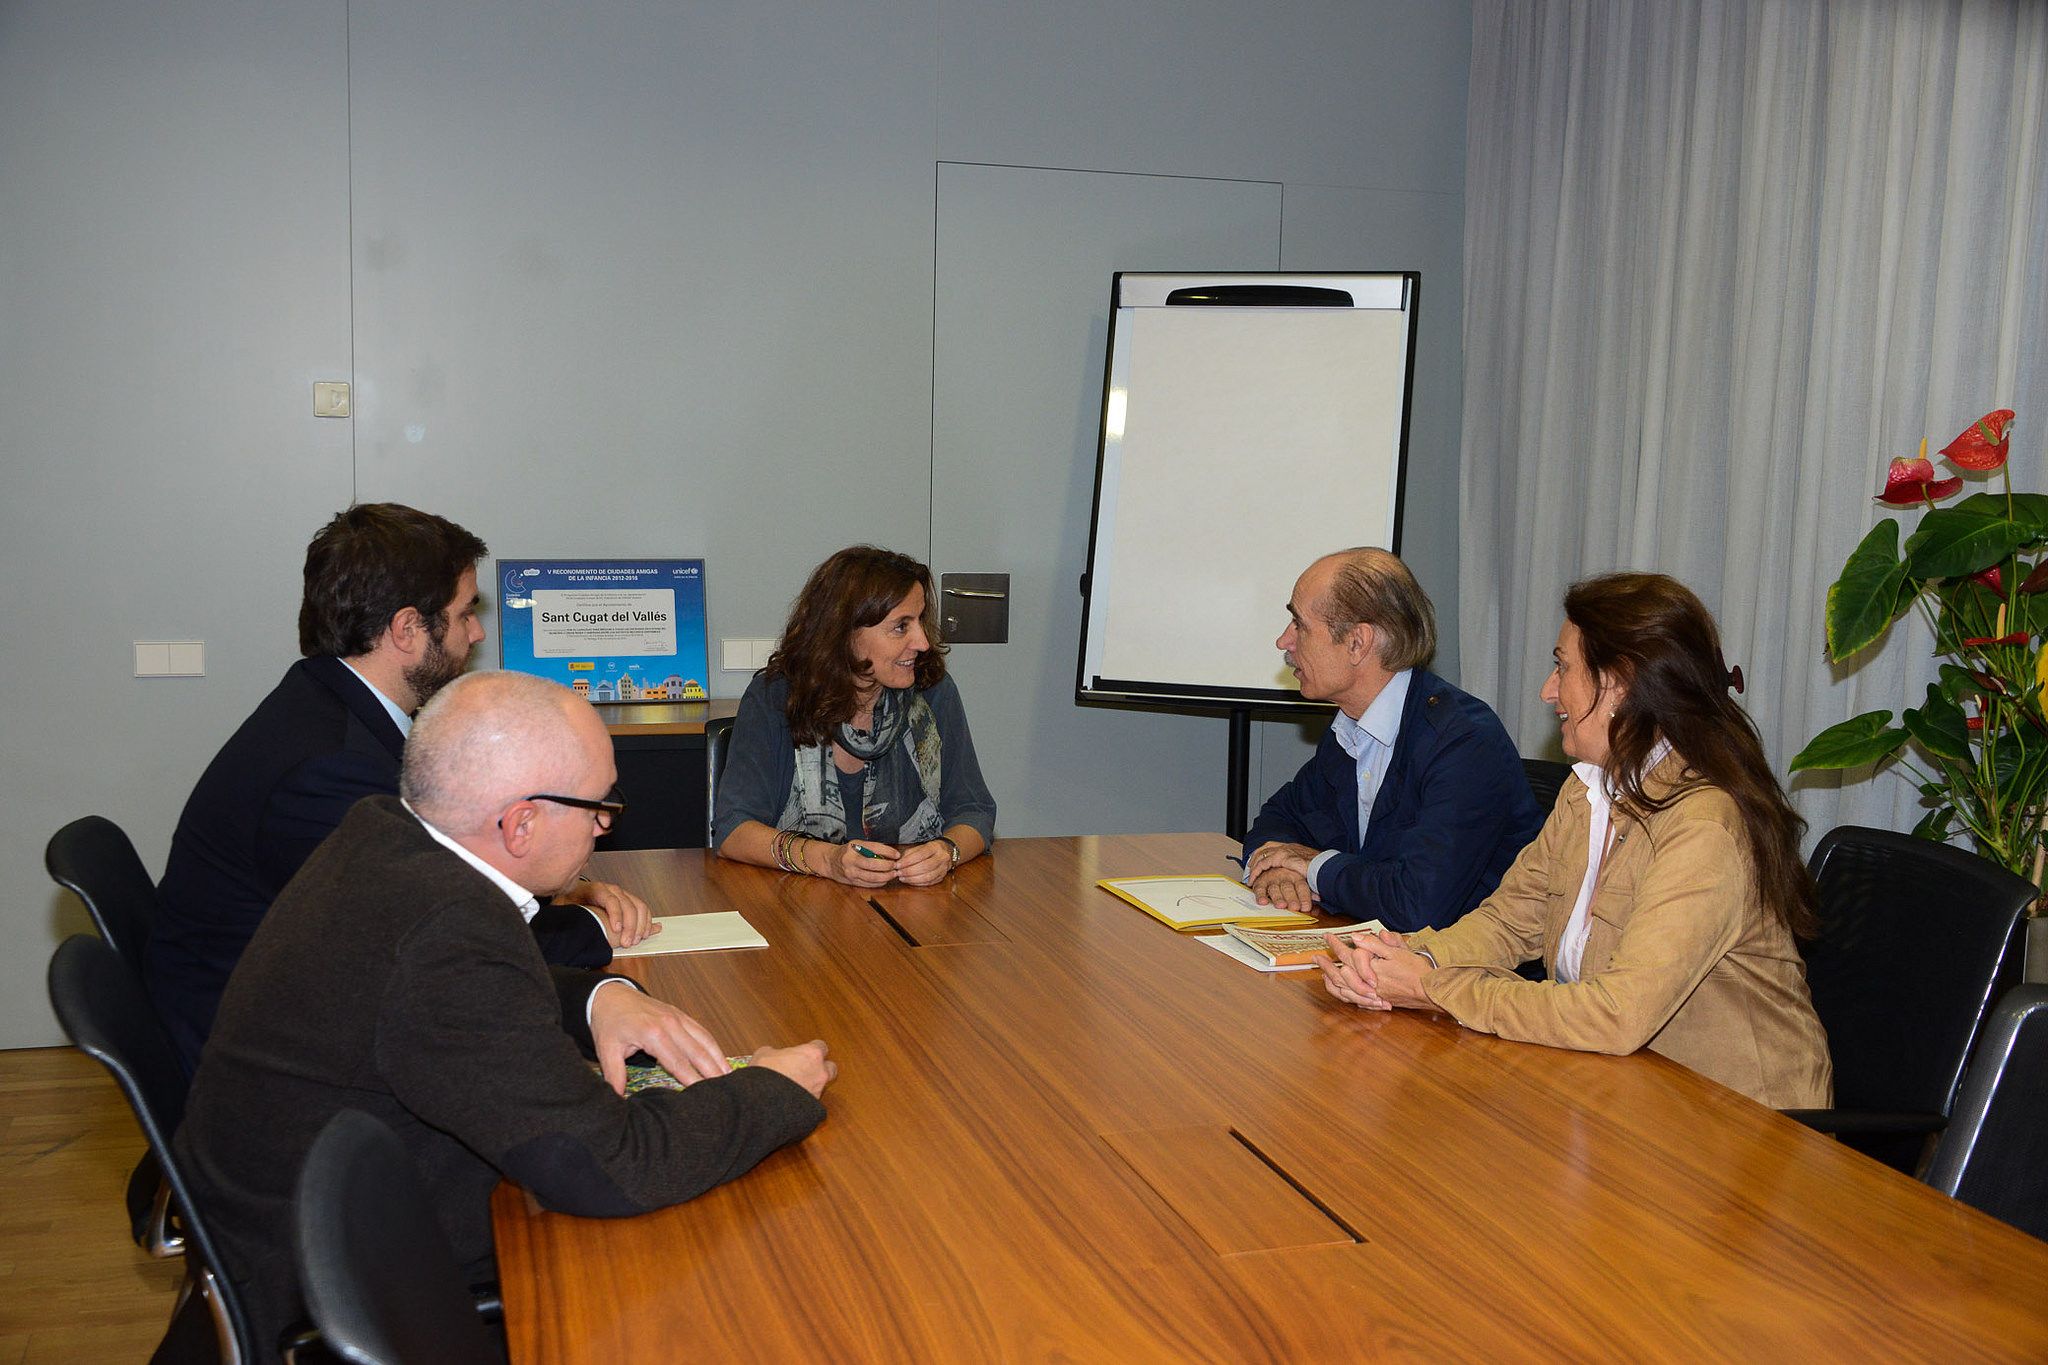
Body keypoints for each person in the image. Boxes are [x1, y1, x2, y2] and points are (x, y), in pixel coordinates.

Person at [171, 671, 836, 1356]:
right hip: (343, 1281)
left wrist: (597, 996)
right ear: (520, 823)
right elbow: (611, 1164)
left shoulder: (383, 839)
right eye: (600, 806)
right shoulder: (448, 930)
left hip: (311, 1216)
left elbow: (441, 998)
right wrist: (769, 1090)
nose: (606, 824)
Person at [148, 503, 649, 1077]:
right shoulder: (328, 770)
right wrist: (591, 949)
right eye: (464, 615)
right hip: (266, 1066)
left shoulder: (333, 710)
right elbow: (435, 945)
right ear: (408, 629)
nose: (477, 633)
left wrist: (561, 895)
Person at [1322, 572, 1832, 1110]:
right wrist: (1401, 962)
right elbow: (1507, 922)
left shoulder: (1703, 827)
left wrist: (1432, 989)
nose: (1548, 689)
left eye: (1562, 667)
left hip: (1743, 1133)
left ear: (1620, 682)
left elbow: (1617, 1015)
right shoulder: (1585, 790)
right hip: (1627, 1096)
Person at [1242, 548, 1542, 930]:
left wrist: (1312, 865)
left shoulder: (1463, 742)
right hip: (1379, 960)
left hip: (1469, 977)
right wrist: (1276, 869)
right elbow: (1280, 817)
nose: (1284, 641)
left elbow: (1417, 905)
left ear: (1358, 643)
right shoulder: (1349, 729)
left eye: (1299, 625)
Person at [714, 546, 996, 886]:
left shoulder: (932, 693)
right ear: (845, 634)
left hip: (912, 904)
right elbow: (733, 831)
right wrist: (829, 861)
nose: (922, 642)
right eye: (900, 627)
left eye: (920, 620)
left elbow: (975, 811)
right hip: (795, 905)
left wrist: (945, 851)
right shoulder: (775, 697)